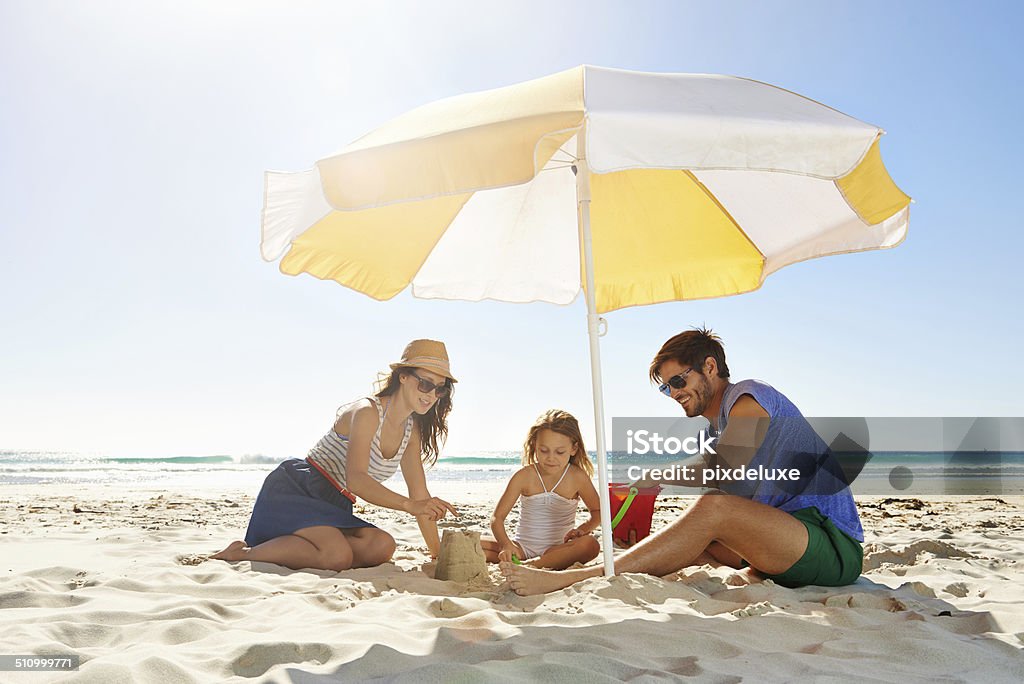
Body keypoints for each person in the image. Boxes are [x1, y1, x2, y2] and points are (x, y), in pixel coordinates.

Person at [501, 327, 864, 595]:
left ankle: (572, 579)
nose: (674, 393)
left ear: (709, 366)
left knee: (713, 507)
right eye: (665, 387)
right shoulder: (712, 433)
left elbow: (727, 464)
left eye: (678, 380)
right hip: (783, 548)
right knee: (692, 539)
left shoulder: (749, 396)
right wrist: (641, 541)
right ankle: (614, 564)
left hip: (831, 545)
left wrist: (655, 476)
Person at [212, 339, 459, 571]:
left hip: (337, 502)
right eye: (425, 383)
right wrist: (409, 506)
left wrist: (437, 552)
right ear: (403, 376)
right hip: (298, 488)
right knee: (337, 556)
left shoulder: (411, 430)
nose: (431, 394)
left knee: (382, 546)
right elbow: (357, 480)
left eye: (439, 389)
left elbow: (419, 494)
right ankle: (241, 554)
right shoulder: (367, 412)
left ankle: (305, 547)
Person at [480, 409, 601, 570]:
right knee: (469, 542)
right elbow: (497, 518)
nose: (551, 457)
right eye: (544, 450)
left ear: (573, 448)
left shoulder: (577, 477)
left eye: (560, 452)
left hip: (559, 550)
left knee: (591, 545)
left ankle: (534, 565)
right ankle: (527, 563)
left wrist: (582, 530)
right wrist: (506, 545)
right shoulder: (524, 476)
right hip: (520, 549)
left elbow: (599, 511)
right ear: (534, 445)